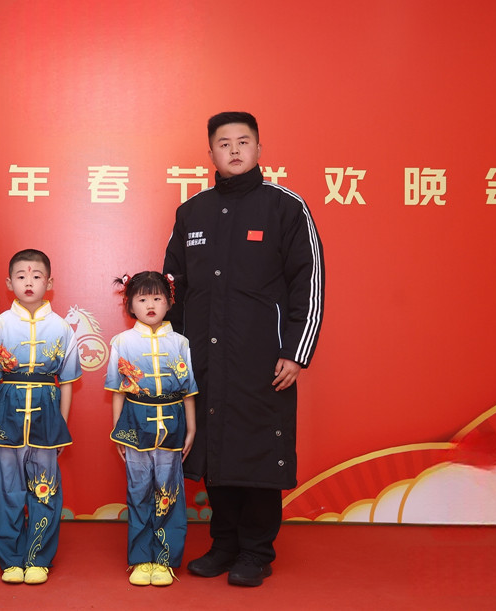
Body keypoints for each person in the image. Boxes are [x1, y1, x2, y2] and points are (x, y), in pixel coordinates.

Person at [163, 112, 325, 587]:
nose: (234, 150)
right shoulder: (192, 213)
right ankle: (224, 544)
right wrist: (172, 353)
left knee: (258, 451)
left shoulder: (285, 208)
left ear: (258, 149)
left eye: (243, 141)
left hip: (263, 359)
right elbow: (173, 287)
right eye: (224, 143)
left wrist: (296, 351)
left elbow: (309, 282)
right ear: (210, 153)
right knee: (215, 449)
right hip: (204, 358)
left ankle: (256, 551)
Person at [0, 249, 81, 585]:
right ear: (8, 282)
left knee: (45, 489)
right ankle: (11, 559)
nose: (29, 282)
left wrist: (60, 426)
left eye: (37, 276)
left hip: (46, 420)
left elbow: (67, 383)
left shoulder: (61, 328)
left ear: (49, 283)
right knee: (6, 491)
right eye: (21, 276)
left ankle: (38, 557)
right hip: (7, 419)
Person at [105, 271, 198, 587]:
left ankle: (165, 559)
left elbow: (188, 390)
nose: (150, 305)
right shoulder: (122, 342)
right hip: (135, 423)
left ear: (169, 302)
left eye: (157, 298)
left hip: (172, 424)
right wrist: (118, 430)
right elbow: (117, 391)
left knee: (169, 491)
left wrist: (191, 428)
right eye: (142, 298)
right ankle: (141, 559)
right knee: (138, 491)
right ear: (130, 305)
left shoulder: (180, 343)